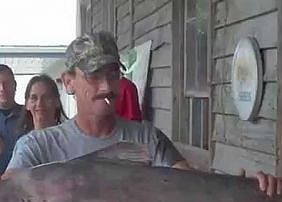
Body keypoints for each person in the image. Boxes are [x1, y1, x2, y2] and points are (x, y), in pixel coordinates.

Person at [3, 31, 190, 178]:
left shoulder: (149, 139)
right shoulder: (37, 148)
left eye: (113, 74)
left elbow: (193, 190)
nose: (106, 86)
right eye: (93, 75)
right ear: (68, 82)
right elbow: (8, 199)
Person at [0, 64, 23, 174]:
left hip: (26, 185)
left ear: (15, 85)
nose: (2, 88)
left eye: (7, 83)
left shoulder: (30, 115)